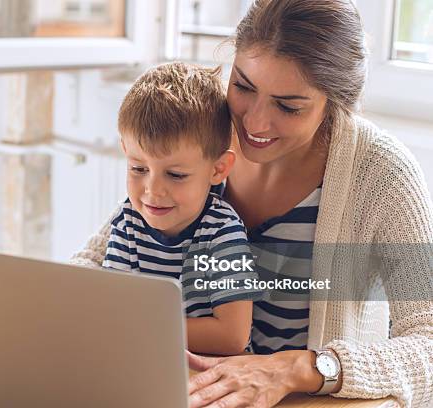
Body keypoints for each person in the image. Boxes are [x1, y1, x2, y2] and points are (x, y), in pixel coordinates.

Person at [70, 0, 433, 406]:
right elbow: (95, 260)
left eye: (288, 106)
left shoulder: (381, 175)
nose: (254, 124)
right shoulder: (204, 132)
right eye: (243, 87)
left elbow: (428, 343)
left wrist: (303, 368)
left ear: (335, 102)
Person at [103, 62, 261, 356]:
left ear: (218, 169)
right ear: (125, 151)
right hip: (148, 364)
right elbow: (112, 312)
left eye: (175, 175)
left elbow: (232, 336)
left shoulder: (222, 232)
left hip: (215, 376)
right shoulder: (127, 224)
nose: (153, 190)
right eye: (138, 168)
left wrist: (143, 328)